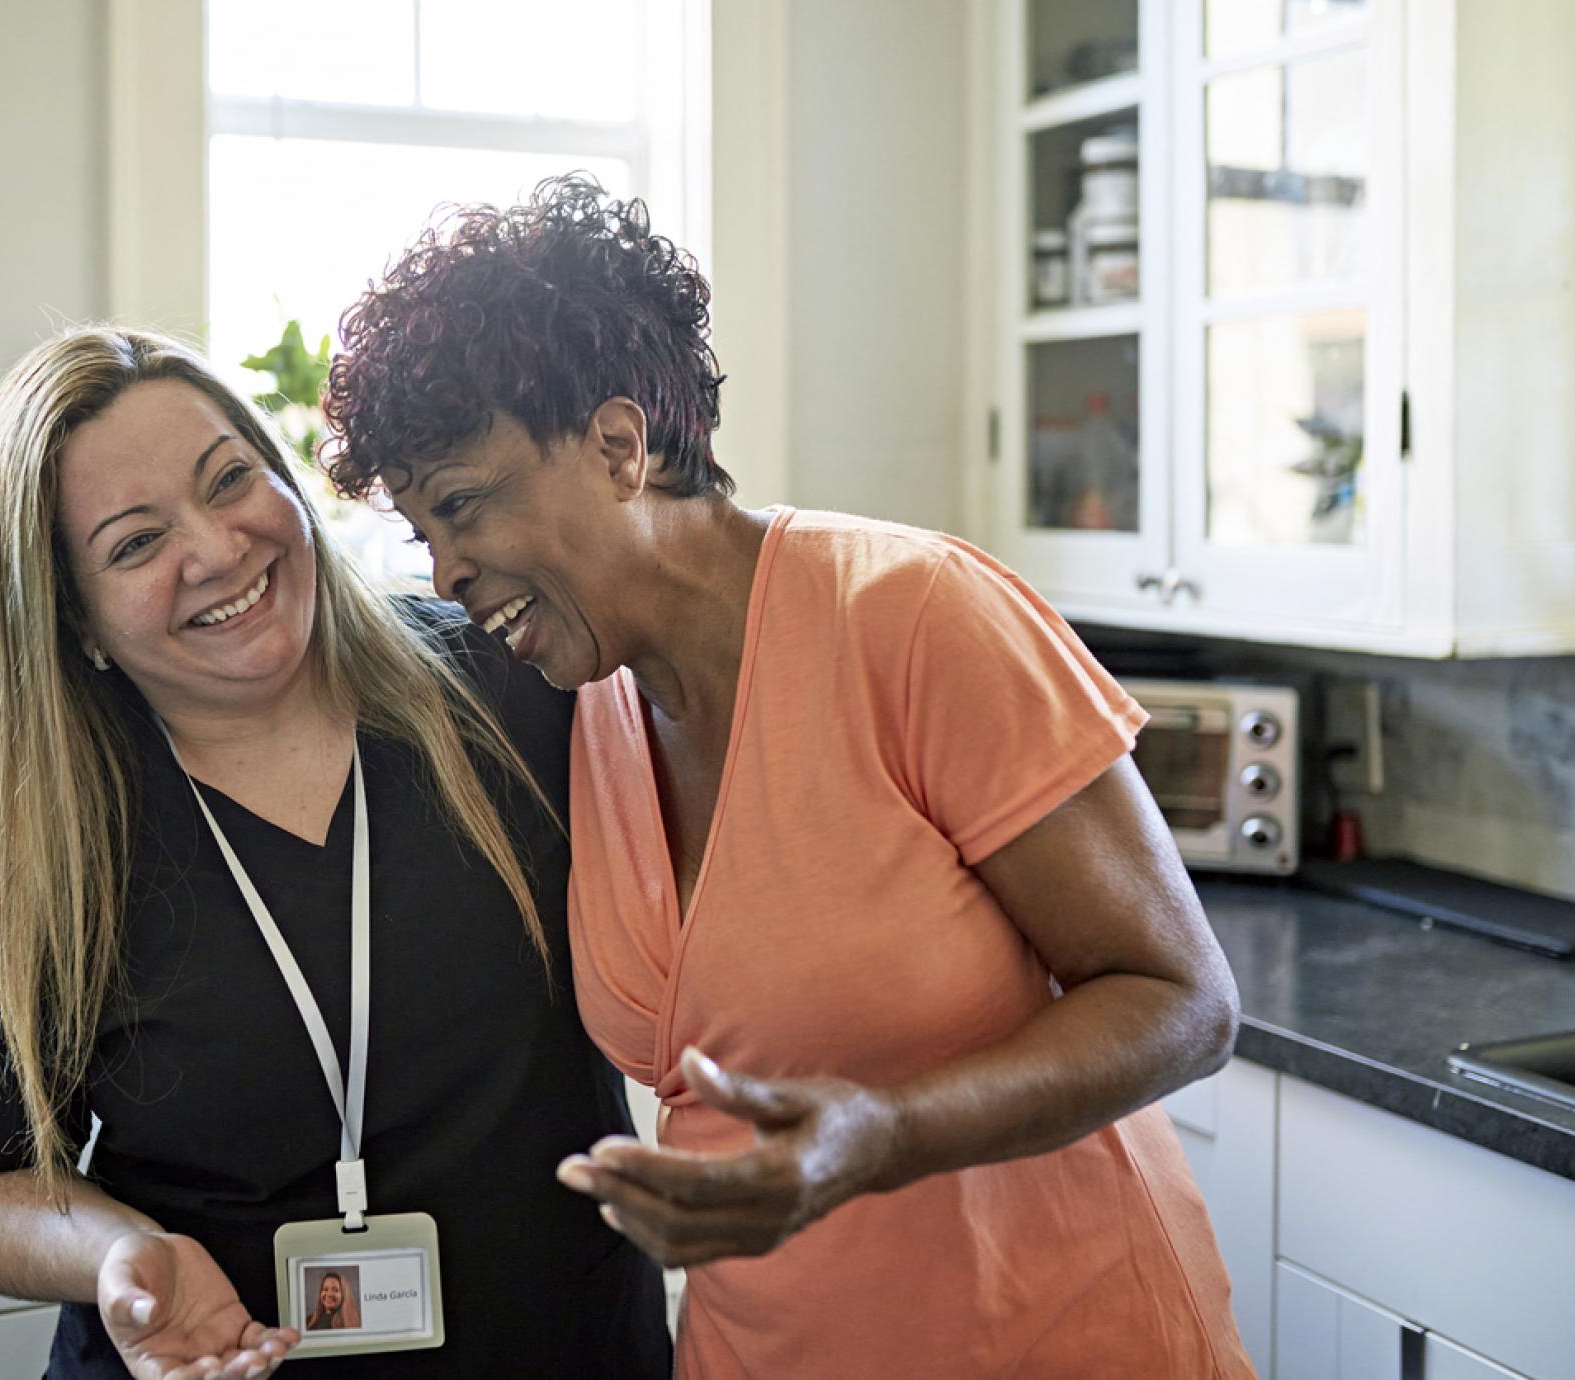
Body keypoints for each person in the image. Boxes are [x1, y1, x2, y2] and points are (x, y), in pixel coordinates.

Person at [320, 175, 1257, 1377]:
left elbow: (1182, 1000)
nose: (447, 572)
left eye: (460, 508)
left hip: (1054, 1334)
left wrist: (883, 1136)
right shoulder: (581, 704)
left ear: (618, 444)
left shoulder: (909, 615)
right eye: (421, 534)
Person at [0, 326, 671, 1379]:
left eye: (230, 480)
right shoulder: (33, 847)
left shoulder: (510, 688)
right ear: (71, 617)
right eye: (134, 543)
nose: (218, 550)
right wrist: (116, 1252)